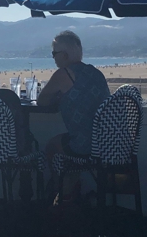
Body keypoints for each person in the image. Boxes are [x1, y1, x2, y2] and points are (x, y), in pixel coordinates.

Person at [37, 30, 110, 204]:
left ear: (64, 55)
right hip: (108, 142)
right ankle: (72, 188)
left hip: (85, 146)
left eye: (54, 54)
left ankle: (61, 191)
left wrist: (57, 97)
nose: (53, 58)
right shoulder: (96, 73)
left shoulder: (65, 74)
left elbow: (42, 101)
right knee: (71, 146)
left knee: (52, 147)